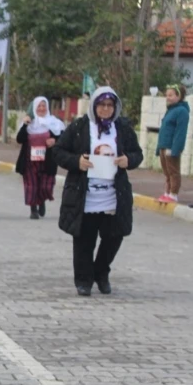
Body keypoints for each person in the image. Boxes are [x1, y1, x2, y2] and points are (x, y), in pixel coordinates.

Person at [52, 86, 143, 297]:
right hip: (85, 195)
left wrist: (127, 160)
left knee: (114, 236)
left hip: (113, 195)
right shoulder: (80, 127)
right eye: (101, 104)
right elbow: (58, 151)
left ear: (115, 107)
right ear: (94, 106)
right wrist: (77, 161)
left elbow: (137, 153)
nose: (105, 109)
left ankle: (101, 272)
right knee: (84, 239)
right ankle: (83, 280)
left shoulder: (122, 128)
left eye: (110, 105)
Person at [16, 96, 65, 219]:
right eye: (39, 106)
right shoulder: (28, 123)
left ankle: (41, 200)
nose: (42, 108)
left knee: (46, 186)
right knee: (31, 184)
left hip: (47, 160)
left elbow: (63, 139)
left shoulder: (54, 123)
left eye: (44, 106)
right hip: (30, 160)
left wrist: (54, 140)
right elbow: (20, 139)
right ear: (34, 108)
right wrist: (25, 124)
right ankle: (33, 209)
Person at [156, 84, 189, 203]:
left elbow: (180, 132)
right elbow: (164, 130)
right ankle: (167, 193)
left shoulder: (182, 111)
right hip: (164, 146)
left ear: (179, 96)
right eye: (167, 95)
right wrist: (159, 148)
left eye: (171, 95)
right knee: (167, 172)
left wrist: (175, 149)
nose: (168, 97)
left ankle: (173, 194)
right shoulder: (170, 110)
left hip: (171, 147)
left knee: (173, 172)